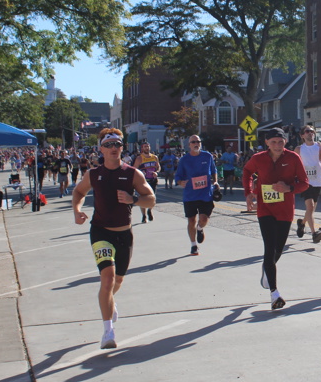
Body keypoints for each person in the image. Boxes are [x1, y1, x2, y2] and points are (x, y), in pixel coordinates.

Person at [71, 129, 156, 349]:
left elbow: (151, 200)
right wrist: (77, 211)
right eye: (108, 145)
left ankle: (109, 301)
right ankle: (108, 332)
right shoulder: (93, 174)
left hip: (124, 234)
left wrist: (133, 199)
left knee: (117, 281)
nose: (113, 148)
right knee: (107, 279)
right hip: (101, 232)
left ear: (122, 147)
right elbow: (78, 192)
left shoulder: (132, 174)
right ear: (101, 149)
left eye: (117, 144)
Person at [242, 127, 309, 310]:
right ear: (267, 143)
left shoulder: (293, 158)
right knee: (269, 248)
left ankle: (267, 268)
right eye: (273, 142)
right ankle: (274, 293)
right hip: (265, 209)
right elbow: (247, 172)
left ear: (285, 142)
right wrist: (249, 192)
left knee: (278, 250)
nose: (277, 146)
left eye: (280, 142)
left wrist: (289, 188)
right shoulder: (258, 158)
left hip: (285, 210)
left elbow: (304, 183)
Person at [175, 134, 218, 255]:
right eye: (193, 142)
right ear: (189, 145)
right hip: (190, 195)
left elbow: (214, 171)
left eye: (198, 142)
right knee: (191, 220)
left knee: (203, 219)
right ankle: (193, 245)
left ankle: (200, 228)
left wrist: (215, 182)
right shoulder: (184, 160)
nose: (196, 144)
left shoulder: (207, 156)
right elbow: (178, 176)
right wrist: (180, 182)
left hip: (205, 194)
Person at [294, 125, 321, 243]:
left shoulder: (320, 147)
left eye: (312, 131)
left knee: (311, 209)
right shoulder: (299, 149)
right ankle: (314, 233)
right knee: (309, 207)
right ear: (302, 135)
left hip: (317, 182)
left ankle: (302, 223)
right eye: (307, 131)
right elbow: (293, 165)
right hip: (305, 182)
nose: (310, 133)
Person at [133, 141, 160, 223]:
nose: (147, 148)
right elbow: (134, 169)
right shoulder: (139, 158)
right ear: (142, 148)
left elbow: (158, 167)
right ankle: (144, 216)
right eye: (145, 146)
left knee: (153, 198)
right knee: (143, 198)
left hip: (153, 180)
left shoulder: (154, 157)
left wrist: (156, 172)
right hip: (143, 181)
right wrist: (141, 172)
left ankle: (150, 210)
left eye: (148, 146)